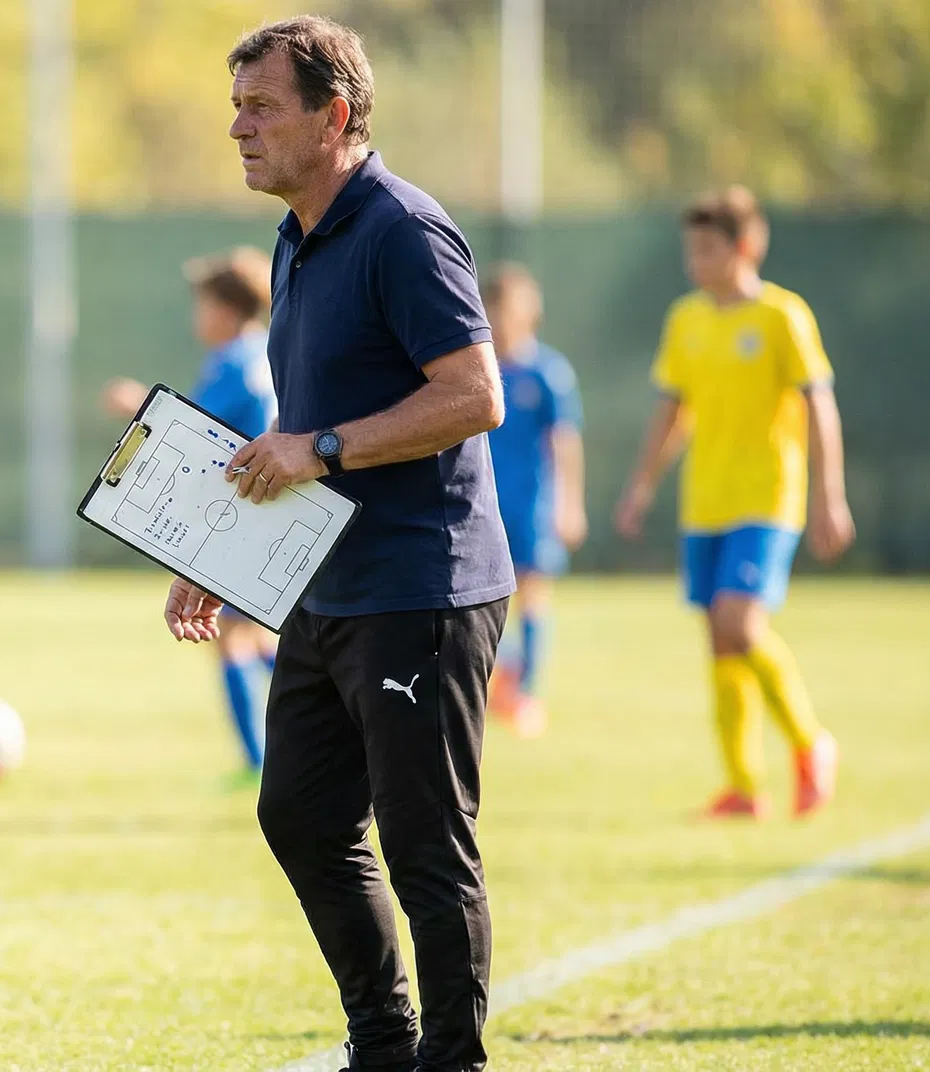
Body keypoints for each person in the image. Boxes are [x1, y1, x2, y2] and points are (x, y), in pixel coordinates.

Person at [163, 18, 513, 1071]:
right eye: (237, 106)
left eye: (262, 107)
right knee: (302, 815)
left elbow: (473, 396)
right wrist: (219, 552)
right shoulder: (295, 236)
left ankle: (451, 1059)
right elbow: (293, 439)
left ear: (337, 115)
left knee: (423, 847)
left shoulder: (403, 229)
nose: (239, 127)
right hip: (328, 585)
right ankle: (384, 1041)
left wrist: (322, 446)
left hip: (424, 583)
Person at [615, 185, 851, 820]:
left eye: (709, 248)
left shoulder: (783, 316)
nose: (696, 261)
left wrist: (831, 494)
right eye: (691, 249)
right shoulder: (686, 319)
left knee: (739, 624)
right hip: (705, 503)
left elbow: (817, 404)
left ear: (745, 247)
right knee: (721, 642)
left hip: (768, 498)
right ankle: (745, 787)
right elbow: (673, 412)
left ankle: (810, 743)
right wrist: (642, 485)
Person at [103, 248, 279, 777]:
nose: (197, 317)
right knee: (249, 635)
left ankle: (257, 762)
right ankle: (321, 722)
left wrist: (139, 404)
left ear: (224, 310)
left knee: (228, 638)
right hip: (261, 511)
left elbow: (196, 432)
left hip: (238, 516)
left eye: (202, 305)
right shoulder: (263, 353)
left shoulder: (233, 363)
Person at [482, 264, 586, 738]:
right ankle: (495, 683)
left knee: (533, 596)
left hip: (533, 506)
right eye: (491, 310)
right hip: (484, 505)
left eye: (508, 311)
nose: (499, 321)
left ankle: (527, 694)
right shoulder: (479, 372)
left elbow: (564, 442)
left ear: (530, 314)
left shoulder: (548, 372)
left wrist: (570, 504)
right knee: (487, 601)